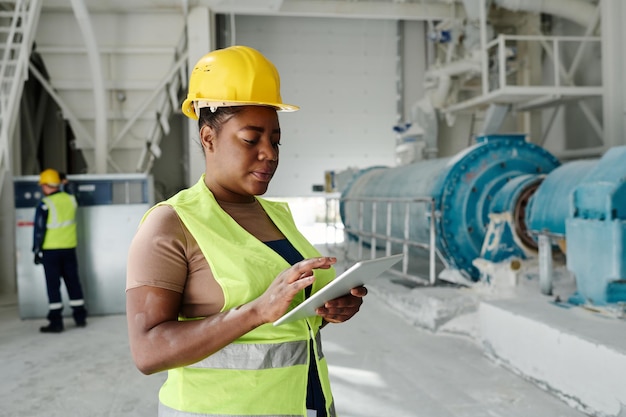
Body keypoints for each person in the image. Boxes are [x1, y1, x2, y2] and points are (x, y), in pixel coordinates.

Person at [126, 45, 368, 417]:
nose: (269, 153)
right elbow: (148, 352)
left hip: (306, 407)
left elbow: (283, 327)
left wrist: (329, 309)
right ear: (208, 138)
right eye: (251, 139)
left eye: (275, 140)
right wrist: (255, 312)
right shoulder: (172, 224)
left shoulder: (278, 215)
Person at [33, 168, 87, 333]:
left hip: (51, 251)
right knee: (73, 282)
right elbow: (75, 191)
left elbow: (39, 230)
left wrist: (36, 250)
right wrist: (66, 182)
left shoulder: (45, 204)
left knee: (53, 286)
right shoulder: (71, 200)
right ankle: (80, 317)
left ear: (45, 185)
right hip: (69, 249)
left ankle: (56, 322)